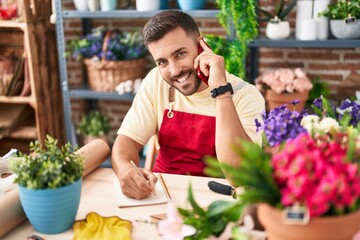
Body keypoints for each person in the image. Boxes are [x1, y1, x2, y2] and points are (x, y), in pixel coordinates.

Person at [111, 10, 265, 199]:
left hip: (219, 198)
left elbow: (240, 176)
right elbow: (125, 143)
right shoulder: (155, 82)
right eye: (162, 62)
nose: (175, 70)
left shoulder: (246, 95)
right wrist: (125, 170)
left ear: (202, 46)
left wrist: (221, 92)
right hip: (163, 194)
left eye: (180, 54)